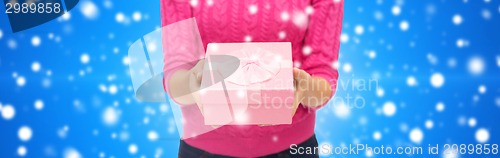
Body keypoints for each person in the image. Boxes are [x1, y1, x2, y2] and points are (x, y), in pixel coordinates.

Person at [162, 0, 343, 157]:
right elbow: (176, 70)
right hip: (202, 150)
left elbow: (323, 73)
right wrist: (191, 82)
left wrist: (305, 87)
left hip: (294, 149)